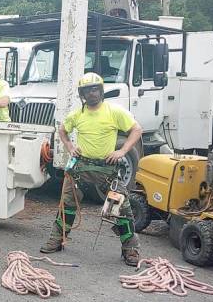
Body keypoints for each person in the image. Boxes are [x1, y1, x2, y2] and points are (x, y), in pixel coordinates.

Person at [39, 72, 143, 266]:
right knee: (67, 204)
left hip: (108, 171)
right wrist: (70, 147)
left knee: (121, 208)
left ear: (101, 91)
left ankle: (130, 250)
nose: (92, 93)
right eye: (88, 90)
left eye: (95, 89)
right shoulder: (77, 115)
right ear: (82, 94)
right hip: (81, 168)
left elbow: (137, 130)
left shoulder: (114, 111)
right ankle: (58, 239)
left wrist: (122, 151)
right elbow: (62, 130)